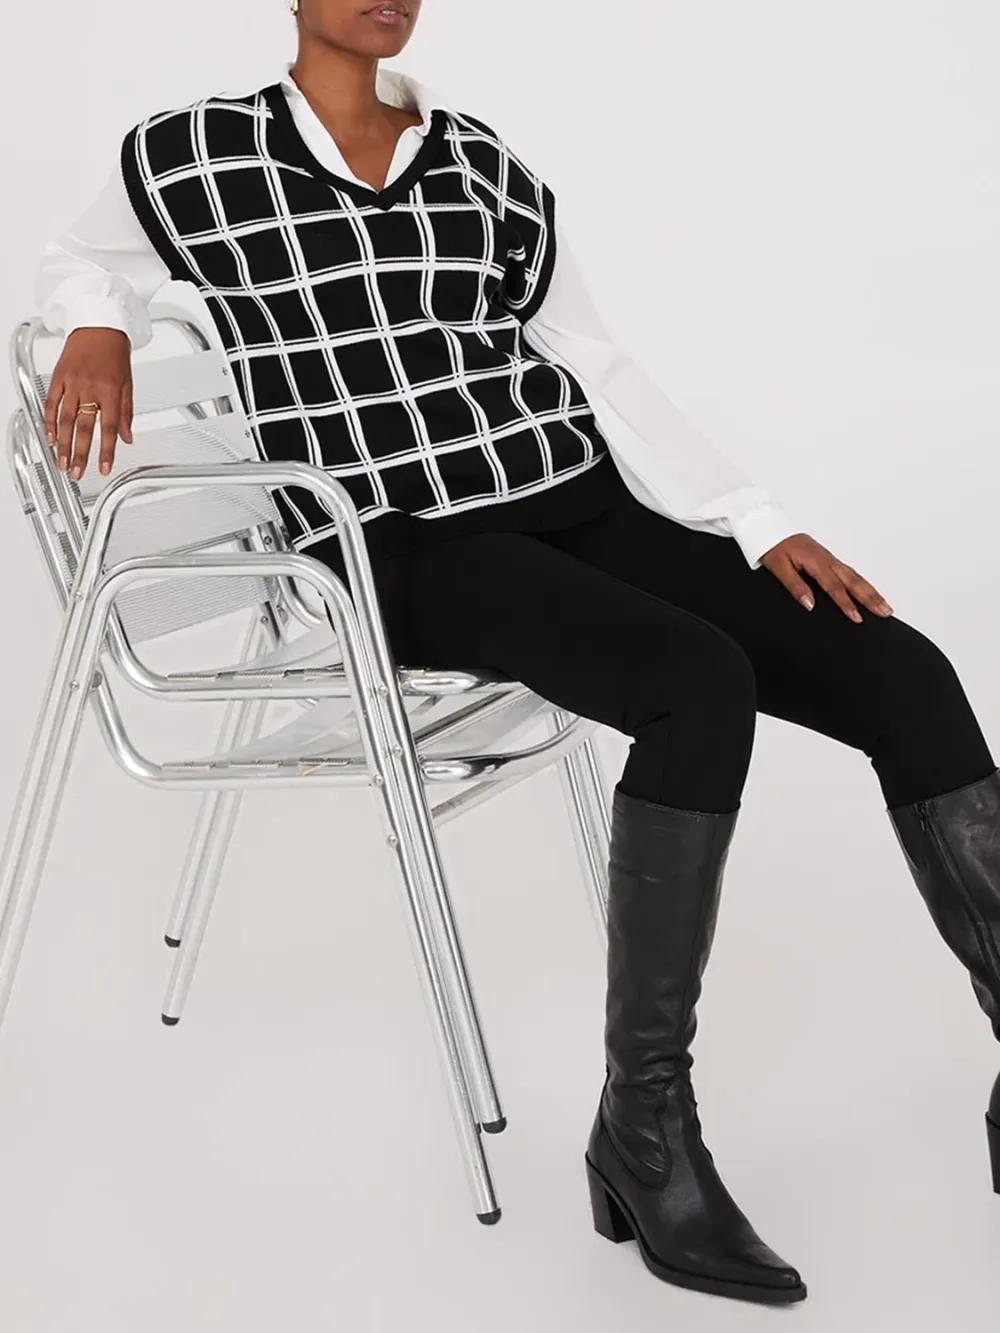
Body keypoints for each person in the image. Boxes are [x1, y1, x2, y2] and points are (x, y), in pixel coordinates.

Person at [34, 0, 1000, 1307]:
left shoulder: (482, 164)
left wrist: (756, 520)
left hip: (572, 497)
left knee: (900, 667)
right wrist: (96, 322)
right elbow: (81, 257)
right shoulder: (194, 153)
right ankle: (645, 1136)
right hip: (395, 541)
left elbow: (591, 359)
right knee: (695, 684)